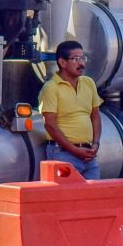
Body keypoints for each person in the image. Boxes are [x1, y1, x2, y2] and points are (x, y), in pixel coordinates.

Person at [39, 40, 102, 179]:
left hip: (88, 154)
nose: (81, 63)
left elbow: (95, 116)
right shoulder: (51, 88)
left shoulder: (88, 83)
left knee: (93, 196)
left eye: (83, 58)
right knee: (66, 198)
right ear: (62, 62)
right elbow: (50, 124)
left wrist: (96, 144)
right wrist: (74, 150)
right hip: (63, 154)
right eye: (75, 59)